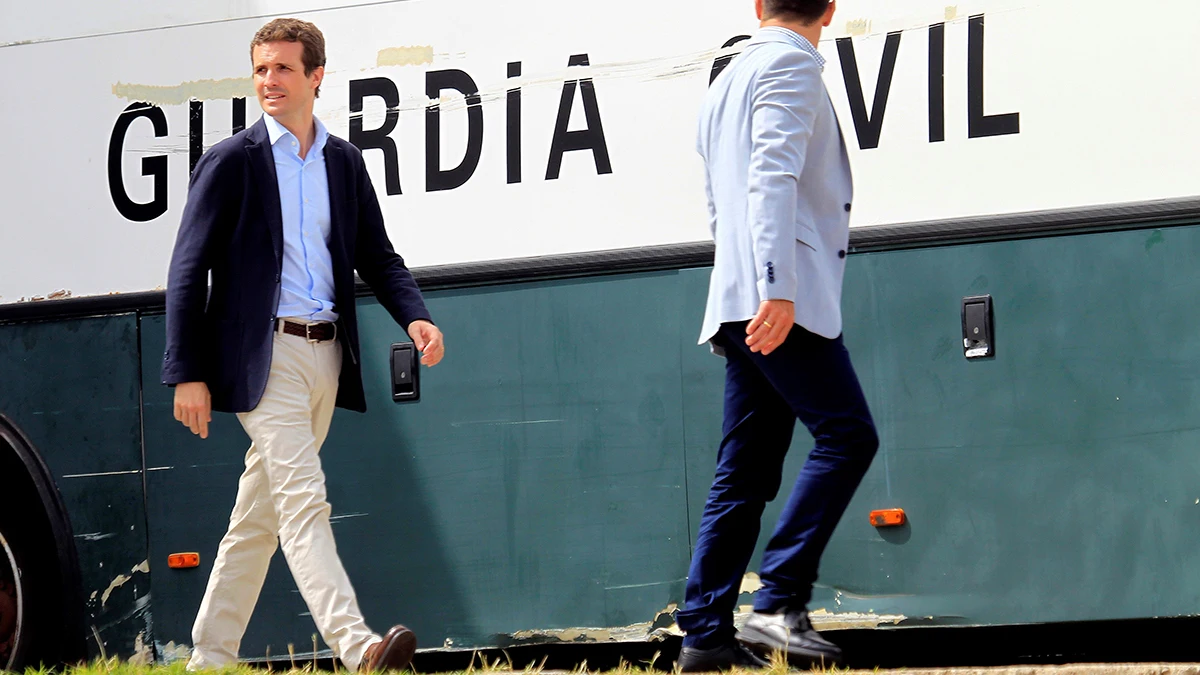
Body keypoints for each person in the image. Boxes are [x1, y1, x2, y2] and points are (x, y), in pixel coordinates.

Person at [162, 17, 445, 673]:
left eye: (283, 68)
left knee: (258, 517)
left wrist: (415, 316)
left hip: (325, 357)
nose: (269, 80)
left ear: (316, 76)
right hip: (265, 360)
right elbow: (186, 268)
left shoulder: (342, 162)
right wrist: (187, 371)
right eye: (261, 68)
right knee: (304, 502)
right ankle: (359, 646)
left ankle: (209, 656)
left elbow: (377, 254)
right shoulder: (231, 162)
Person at [675, 0, 879, 670]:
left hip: (739, 297)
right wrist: (778, 286)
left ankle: (705, 634)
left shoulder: (727, 75)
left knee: (745, 471)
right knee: (848, 435)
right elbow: (772, 177)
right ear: (830, 8)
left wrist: (743, 279)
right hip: (777, 298)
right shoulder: (791, 64)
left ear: (758, 6)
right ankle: (778, 602)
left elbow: (715, 198)